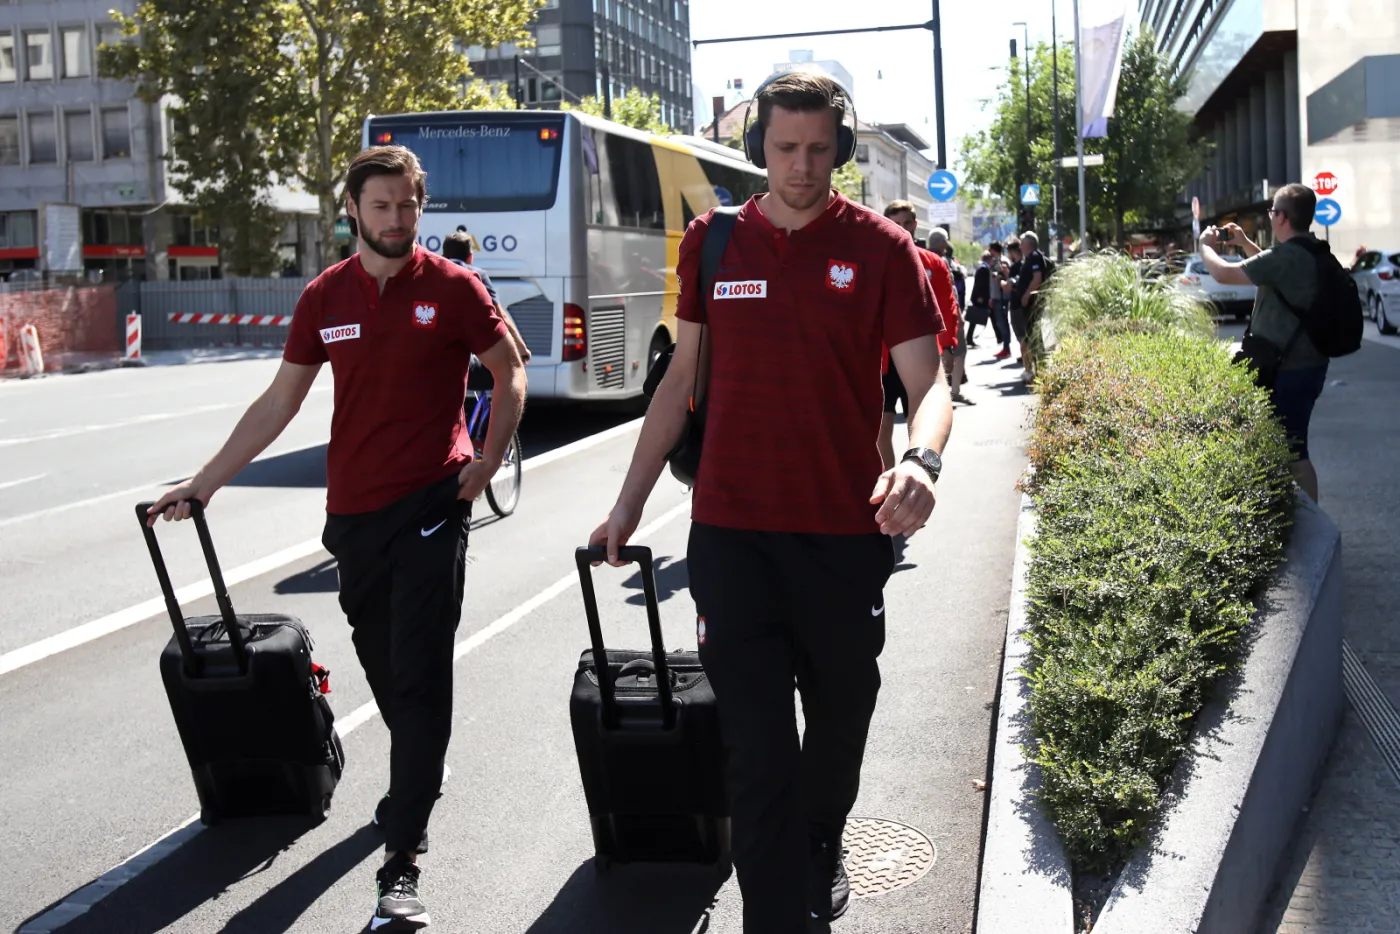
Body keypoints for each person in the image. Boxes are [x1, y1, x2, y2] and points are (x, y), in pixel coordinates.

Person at [590, 70, 953, 934]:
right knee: (756, 756)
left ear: (842, 149)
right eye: (786, 148)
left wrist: (922, 462)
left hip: (842, 539)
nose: (802, 166)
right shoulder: (714, 244)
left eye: (819, 150)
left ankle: (822, 844)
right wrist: (629, 505)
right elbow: (681, 382)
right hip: (731, 539)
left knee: (836, 731)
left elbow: (927, 382)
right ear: (760, 147)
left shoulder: (879, 249)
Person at [145, 145, 527, 933]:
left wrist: (486, 461)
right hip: (354, 513)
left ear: (421, 207)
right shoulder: (326, 297)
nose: (396, 220)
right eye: (382, 206)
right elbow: (281, 400)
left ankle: (403, 858)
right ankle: (421, 759)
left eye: (408, 205)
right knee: (384, 662)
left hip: (433, 499)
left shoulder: (453, 288)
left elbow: (508, 369)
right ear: (352, 208)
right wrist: (206, 480)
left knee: (419, 676)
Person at [1199, 182, 1328, 502]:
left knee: (1295, 451)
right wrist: (1243, 242)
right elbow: (1269, 269)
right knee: (1291, 444)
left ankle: (1311, 526)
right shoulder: (1308, 250)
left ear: (1282, 217)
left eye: (1272, 212)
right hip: (1305, 364)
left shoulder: (1286, 256)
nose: (1270, 216)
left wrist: (1205, 247)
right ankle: (1296, 514)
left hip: (1290, 368)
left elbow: (1225, 275)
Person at [880, 202, 962, 473]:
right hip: (881, 361)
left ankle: (912, 481)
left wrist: (948, 345)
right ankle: (884, 490)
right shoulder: (875, 259)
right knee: (880, 434)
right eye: (894, 224)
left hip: (920, 358)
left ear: (914, 225)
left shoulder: (932, 262)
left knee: (919, 430)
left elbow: (948, 306)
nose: (900, 229)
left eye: (905, 223)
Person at [929, 228, 972, 405]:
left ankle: (938, 394)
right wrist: (959, 316)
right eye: (945, 241)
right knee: (959, 351)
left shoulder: (919, 258)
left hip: (928, 316)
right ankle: (954, 391)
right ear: (941, 243)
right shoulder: (942, 262)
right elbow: (951, 292)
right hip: (947, 314)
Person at [1011, 231, 1047, 379]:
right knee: (1030, 336)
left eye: (1022, 242)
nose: (1020, 245)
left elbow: (1037, 278)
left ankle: (1039, 370)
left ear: (1028, 244)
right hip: (1027, 305)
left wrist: (1027, 294)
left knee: (1032, 337)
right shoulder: (1029, 258)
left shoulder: (1035, 257)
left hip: (1031, 305)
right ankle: (1036, 369)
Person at [987, 241, 1013, 359]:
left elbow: (1005, 276)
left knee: (1002, 322)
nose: (989, 252)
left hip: (1002, 297)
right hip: (996, 296)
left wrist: (998, 274)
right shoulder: (995, 261)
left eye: (990, 249)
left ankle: (1007, 348)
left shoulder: (1002, 261)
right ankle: (1005, 347)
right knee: (999, 322)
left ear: (994, 250)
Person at [967, 251, 994, 348]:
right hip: (980, 297)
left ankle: (969, 338)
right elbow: (980, 284)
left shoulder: (982, 267)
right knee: (974, 319)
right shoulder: (983, 269)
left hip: (980, 297)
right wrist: (980, 297)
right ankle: (969, 338)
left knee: (974, 320)